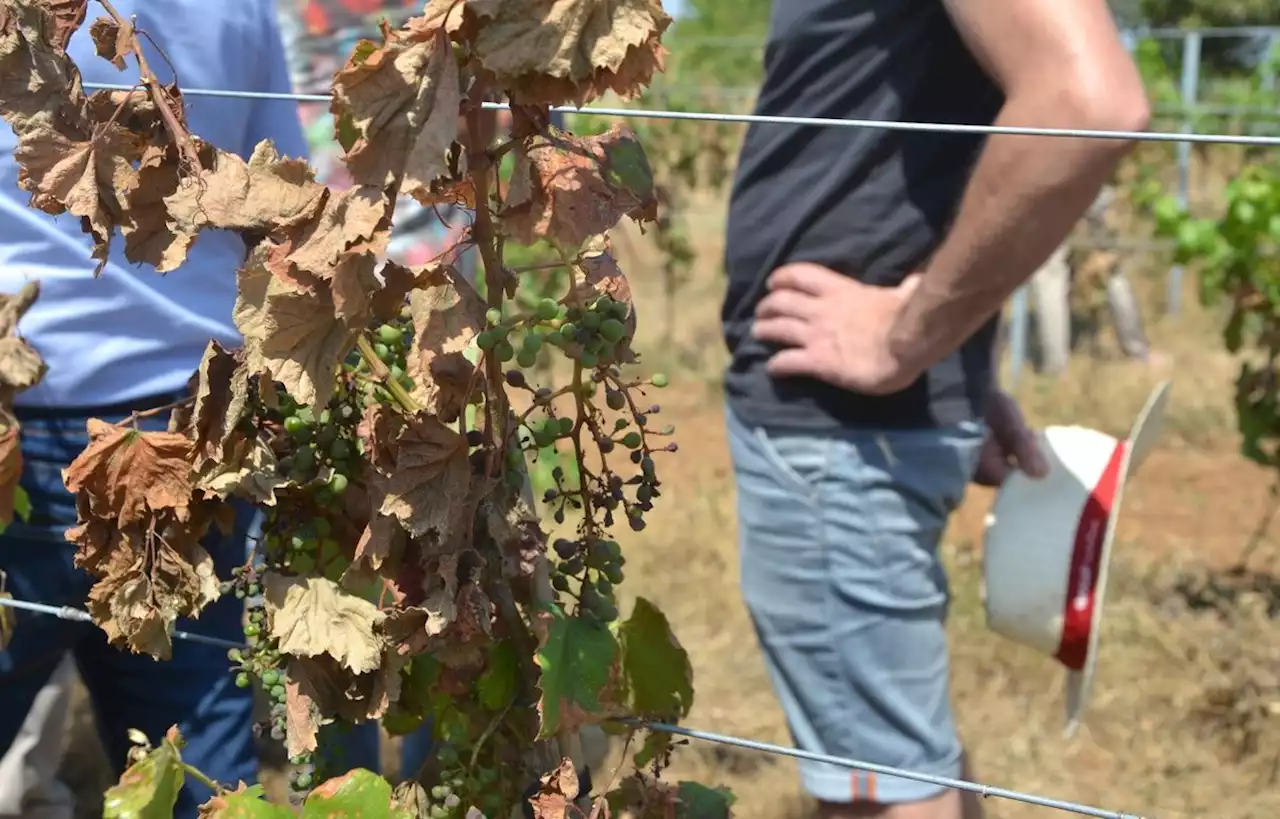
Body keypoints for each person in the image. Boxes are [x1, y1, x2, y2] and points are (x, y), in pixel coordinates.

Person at [719, 3, 1149, 819]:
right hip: (847, 424)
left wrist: (909, 339)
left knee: (882, 791)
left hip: (840, 430)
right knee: (898, 760)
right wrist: (943, 354)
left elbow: (1087, 101)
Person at [0, 2, 309, 817]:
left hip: (24, 430)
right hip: (194, 422)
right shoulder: (241, 9)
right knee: (194, 755)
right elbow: (278, 201)